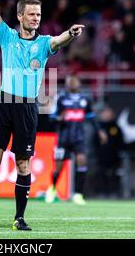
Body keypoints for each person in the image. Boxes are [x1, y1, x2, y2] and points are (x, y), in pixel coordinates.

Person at [0, 0, 86, 231]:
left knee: (23, 163)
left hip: (27, 108)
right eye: (31, 14)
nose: (36, 18)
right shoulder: (7, 36)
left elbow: (59, 39)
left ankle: (19, 218)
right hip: (5, 103)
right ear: (20, 16)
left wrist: (70, 32)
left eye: (39, 15)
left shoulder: (45, 43)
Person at [45, 75, 107, 204]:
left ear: (79, 83)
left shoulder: (85, 99)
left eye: (74, 81)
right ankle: (53, 189)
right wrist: (59, 118)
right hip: (63, 138)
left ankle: (78, 194)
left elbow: (91, 117)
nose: (72, 83)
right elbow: (51, 118)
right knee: (59, 167)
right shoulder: (60, 98)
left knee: (82, 161)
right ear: (67, 84)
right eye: (70, 81)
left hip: (79, 138)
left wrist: (100, 131)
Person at [94, 106, 124, 198]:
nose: (107, 115)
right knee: (102, 175)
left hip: (114, 157)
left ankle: (114, 193)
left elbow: (120, 141)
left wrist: (117, 152)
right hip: (102, 156)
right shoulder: (99, 128)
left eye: (109, 113)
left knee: (114, 175)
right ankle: (103, 192)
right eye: (105, 113)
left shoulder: (116, 127)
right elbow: (94, 141)